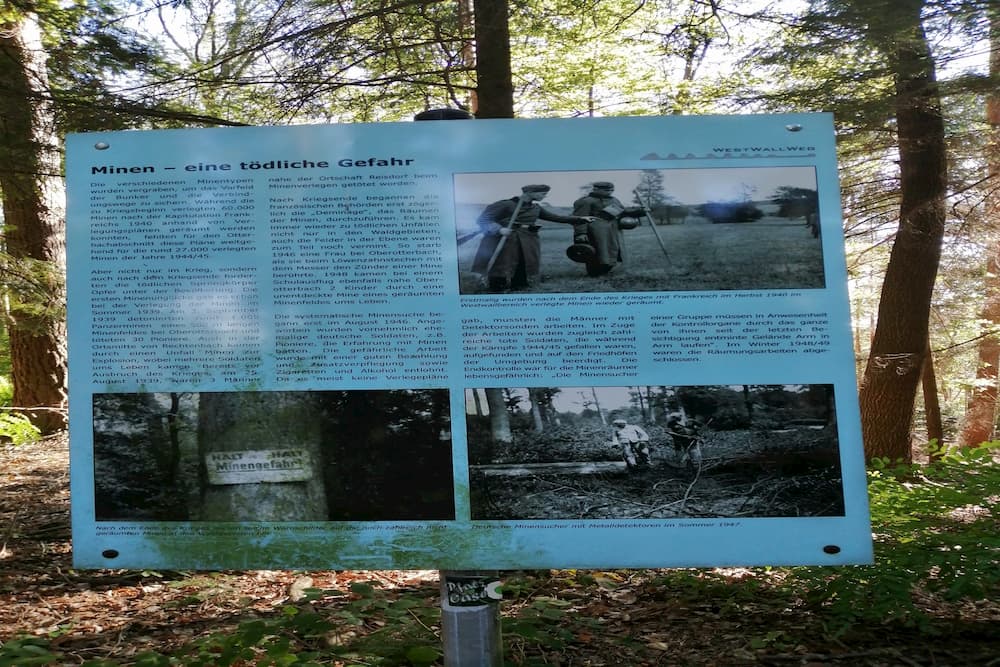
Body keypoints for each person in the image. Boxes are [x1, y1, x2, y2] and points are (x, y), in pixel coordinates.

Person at [471, 184, 585, 292]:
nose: (544, 196)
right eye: (542, 193)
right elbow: (483, 219)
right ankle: (496, 287)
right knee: (502, 262)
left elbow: (556, 217)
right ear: (530, 192)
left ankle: (519, 285)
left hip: (528, 238)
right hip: (505, 238)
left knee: (524, 261)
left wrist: (581, 219)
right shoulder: (505, 204)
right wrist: (499, 229)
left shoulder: (536, 208)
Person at [568, 182, 646, 276]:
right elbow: (579, 218)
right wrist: (581, 233)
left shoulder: (614, 200)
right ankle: (595, 273)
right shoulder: (585, 201)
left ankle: (608, 270)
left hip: (614, 230)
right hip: (595, 231)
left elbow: (622, 212)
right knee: (598, 251)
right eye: (606, 190)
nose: (609, 192)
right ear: (596, 189)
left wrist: (639, 211)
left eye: (611, 190)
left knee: (614, 250)